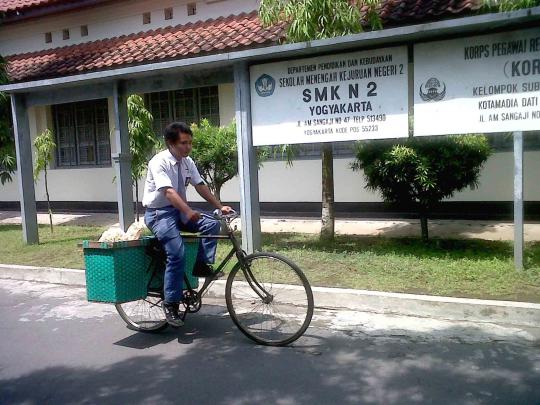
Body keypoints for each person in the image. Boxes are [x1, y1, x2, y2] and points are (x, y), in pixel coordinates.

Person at [142, 122, 233, 327]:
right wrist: (188, 211)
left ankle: (201, 264)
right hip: (159, 214)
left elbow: (200, 185)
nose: (188, 147)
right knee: (177, 254)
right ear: (170, 143)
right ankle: (171, 304)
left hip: (178, 210)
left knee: (211, 224)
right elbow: (168, 192)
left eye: (190, 143)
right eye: (184, 143)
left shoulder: (187, 161)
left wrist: (220, 207)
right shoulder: (159, 162)